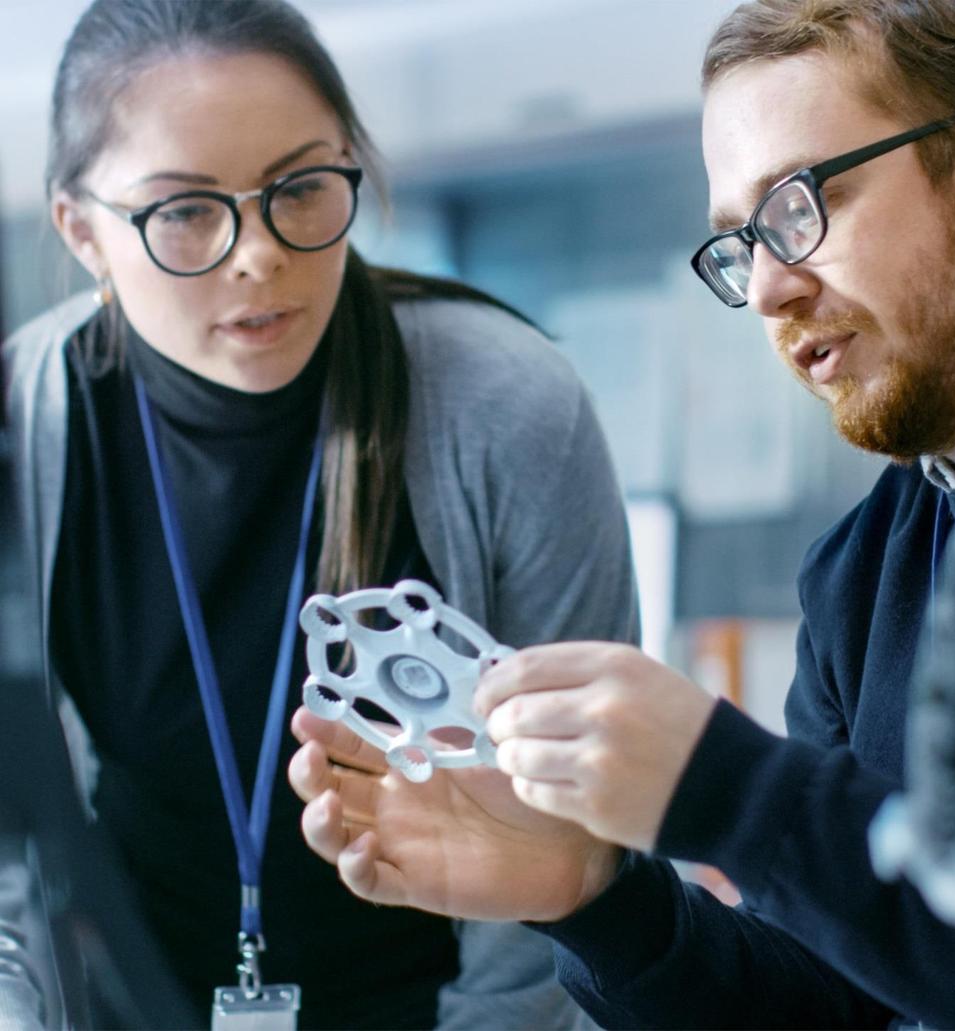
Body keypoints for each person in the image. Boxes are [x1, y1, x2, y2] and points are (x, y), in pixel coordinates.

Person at [289, 0, 955, 1026]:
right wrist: (597, 895)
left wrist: (726, 787)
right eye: (741, 242)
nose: (767, 287)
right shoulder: (860, 572)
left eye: (802, 203)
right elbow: (830, 1004)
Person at [0, 0, 641, 1027]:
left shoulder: (506, 405)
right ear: (82, 231)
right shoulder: (26, 424)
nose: (258, 252)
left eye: (300, 187)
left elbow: (570, 828)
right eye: (185, 212)